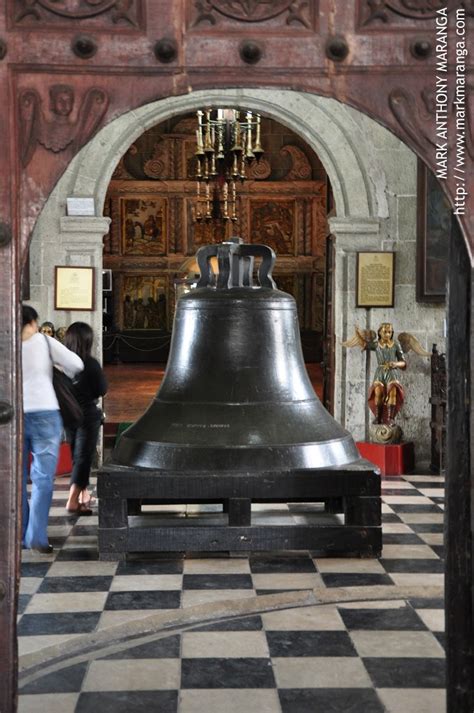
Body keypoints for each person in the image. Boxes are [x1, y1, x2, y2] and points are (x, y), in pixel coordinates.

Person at [22, 305, 84, 553]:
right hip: (46, 414)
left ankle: (19, 530)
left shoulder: (5, 341)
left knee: (14, 479)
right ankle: (36, 535)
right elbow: (77, 364)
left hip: (12, 415)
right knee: (42, 479)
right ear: (34, 322)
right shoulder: (45, 342)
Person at [64, 322, 107, 514]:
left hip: (68, 414)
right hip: (87, 415)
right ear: (88, 341)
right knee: (84, 457)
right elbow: (101, 389)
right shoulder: (90, 363)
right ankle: (73, 500)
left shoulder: (62, 364)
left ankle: (83, 495)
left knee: (76, 455)